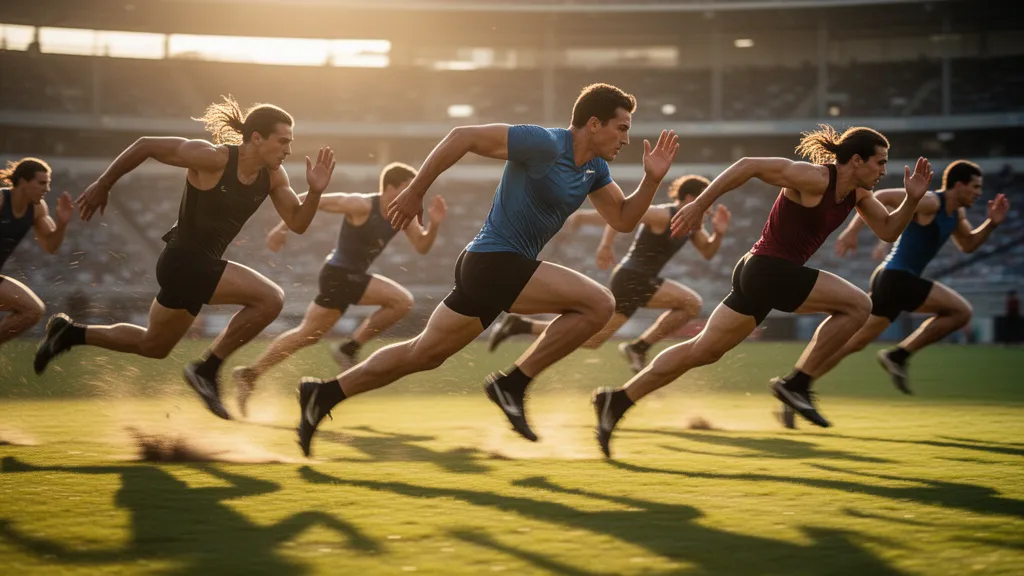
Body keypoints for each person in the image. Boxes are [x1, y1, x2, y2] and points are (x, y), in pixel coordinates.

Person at [295, 83, 679, 457]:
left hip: (494, 271)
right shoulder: (544, 143)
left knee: (423, 354)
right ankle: (513, 384)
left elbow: (625, 218)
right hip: (493, 262)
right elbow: (463, 136)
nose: (626, 139)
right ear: (594, 124)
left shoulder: (594, 169)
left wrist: (652, 179)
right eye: (622, 127)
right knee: (598, 304)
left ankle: (324, 393)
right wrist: (417, 190)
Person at [591, 124, 934, 457]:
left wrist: (912, 199)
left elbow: (889, 230)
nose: (884, 170)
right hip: (768, 270)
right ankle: (796, 384)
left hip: (761, 273)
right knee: (858, 305)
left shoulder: (858, 195)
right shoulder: (814, 178)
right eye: (881, 162)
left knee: (703, 351)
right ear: (856, 160)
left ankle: (618, 399)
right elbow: (748, 165)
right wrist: (699, 205)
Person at [33, 96, 336, 420]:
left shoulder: (274, 178)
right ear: (257, 138)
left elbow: (298, 223)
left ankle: (70, 333)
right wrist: (104, 184)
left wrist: (315, 191)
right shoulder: (213, 158)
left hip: (193, 272)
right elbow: (146, 144)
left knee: (154, 346)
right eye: (283, 141)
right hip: (183, 262)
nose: (288, 150)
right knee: (271, 300)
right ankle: (207, 369)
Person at [774, 160, 1009, 415]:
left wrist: (992, 224)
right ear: (959, 185)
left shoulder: (956, 216)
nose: (978, 192)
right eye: (975, 187)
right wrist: (852, 232)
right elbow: (882, 195)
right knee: (960, 311)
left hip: (900, 282)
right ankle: (894, 357)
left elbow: (969, 245)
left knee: (851, 344)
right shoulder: (932, 202)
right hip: (895, 279)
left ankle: (798, 385)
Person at [231, 162, 447, 417]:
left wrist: (433, 224)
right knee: (401, 301)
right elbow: (308, 199)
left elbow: (421, 246)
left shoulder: (403, 215)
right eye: (408, 188)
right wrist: (280, 229)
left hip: (350, 277)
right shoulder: (361, 204)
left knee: (307, 335)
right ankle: (349, 348)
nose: (413, 194)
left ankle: (250, 374)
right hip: (339, 275)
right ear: (390, 188)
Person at [488, 174, 731, 373]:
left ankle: (520, 325)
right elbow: (621, 217)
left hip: (642, 281)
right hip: (632, 277)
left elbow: (708, 252)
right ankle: (638, 348)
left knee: (592, 340)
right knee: (691, 303)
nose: (709, 211)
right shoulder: (662, 215)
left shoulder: (689, 226)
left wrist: (719, 233)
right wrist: (604, 243)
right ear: (690, 198)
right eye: (706, 202)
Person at [0, 158, 73, 347]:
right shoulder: (0, 200)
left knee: (33, 311)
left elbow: (50, 245)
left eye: (48, 183)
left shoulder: (37, 209)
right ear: (23, 182)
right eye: (42, 183)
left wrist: (62, 224)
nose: (47, 189)